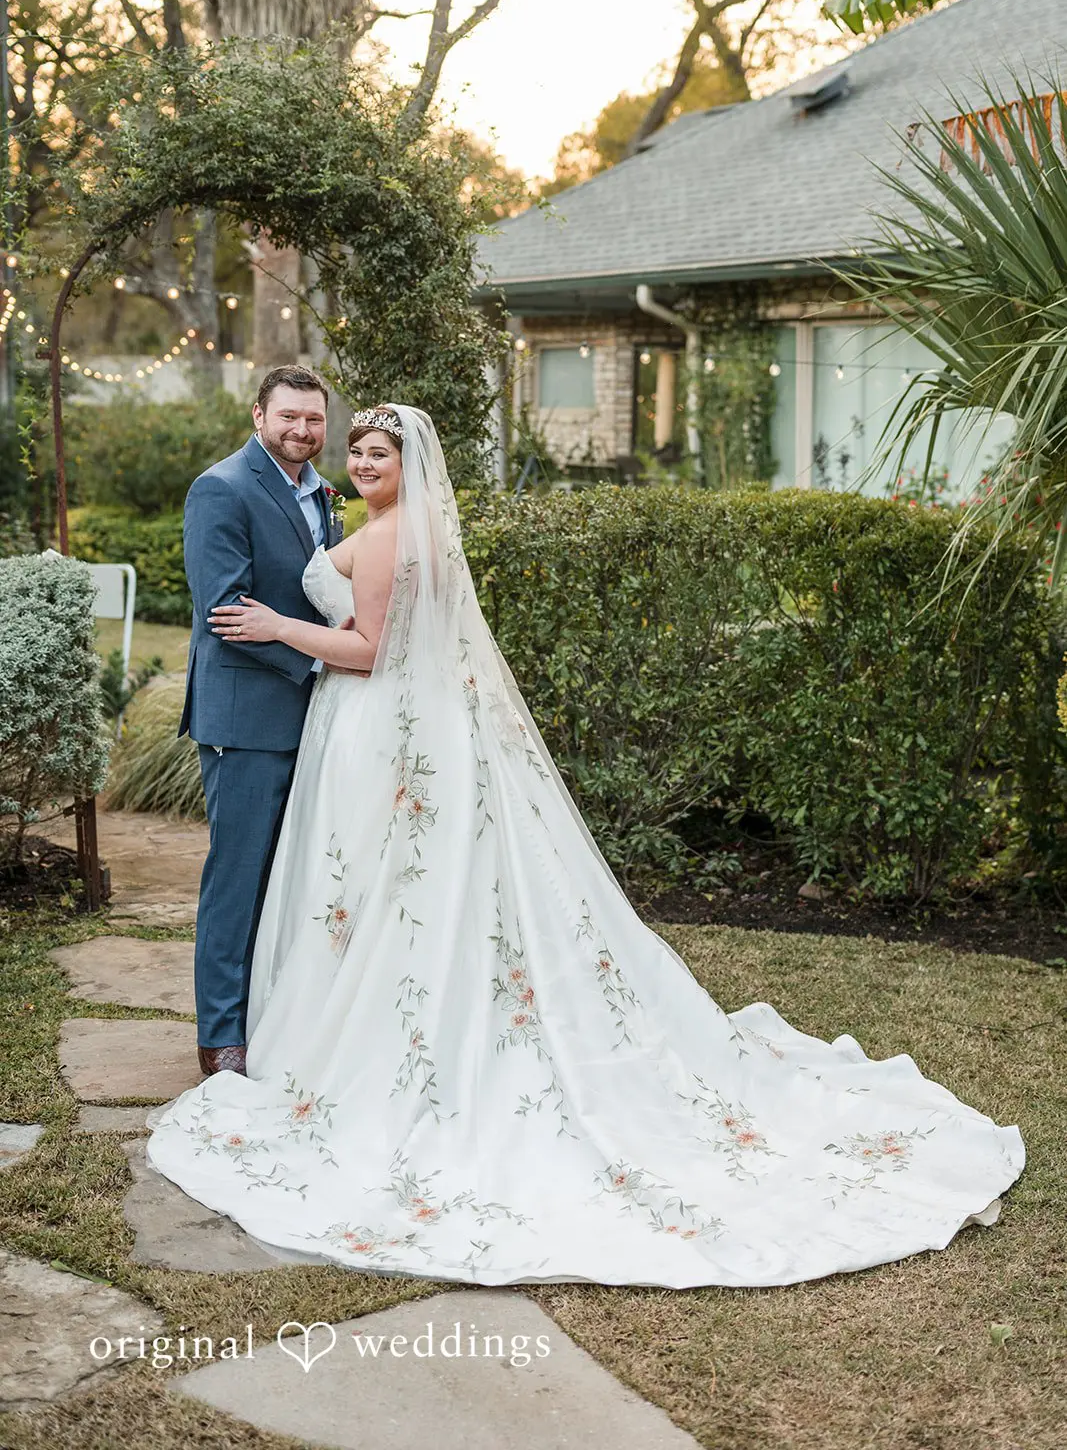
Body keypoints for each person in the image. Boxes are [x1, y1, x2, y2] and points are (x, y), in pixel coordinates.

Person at [148, 402, 1025, 1289]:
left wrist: (282, 629)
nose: (360, 459)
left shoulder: (384, 536)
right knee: (384, 887)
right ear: (273, 420)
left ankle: (377, 1035)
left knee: (390, 890)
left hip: (378, 718)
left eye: (377, 450)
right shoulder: (372, 519)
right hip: (380, 727)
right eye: (356, 449)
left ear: (413, 463)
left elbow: (371, 648)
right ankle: (330, 1019)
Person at [180, 365, 344, 1079]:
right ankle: (220, 1041)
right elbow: (225, 611)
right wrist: (321, 663)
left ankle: (275, 1017)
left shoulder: (321, 493)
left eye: (313, 419)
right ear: (258, 415)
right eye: (289, 417)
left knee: (292, 879)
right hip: (247, 717)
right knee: (237, 879)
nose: (302, 430)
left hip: (315, 716)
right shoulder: (220, 488)